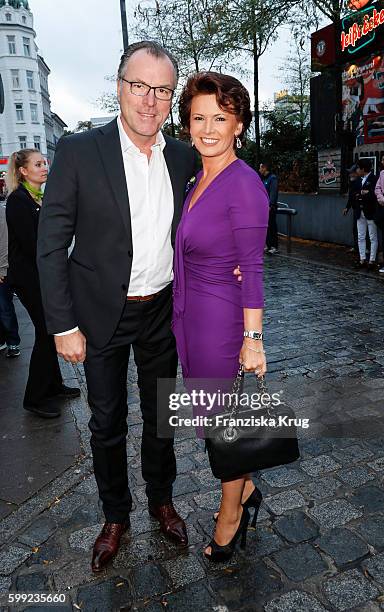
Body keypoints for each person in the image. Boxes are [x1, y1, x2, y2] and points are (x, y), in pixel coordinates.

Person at [37, 42, 196, 572]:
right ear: (119, 85)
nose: (149, 100)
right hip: (101, 312)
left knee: (161, 417)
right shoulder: (81, 151)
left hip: (162, 311)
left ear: (171, 97)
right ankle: (115, 515)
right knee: (107, 421)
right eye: (139, 86)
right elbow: (51, 243)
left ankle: (161, 500)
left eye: (161, 90)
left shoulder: (183, 156)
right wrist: (63, 325)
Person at [175, 72, 269, 561]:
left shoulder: (244, 183)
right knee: (216, 418)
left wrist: (253, 339)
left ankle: (231, 514)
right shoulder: (197, 177)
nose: (207, 128)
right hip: (191, 319)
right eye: (198, 117)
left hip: (221, 323)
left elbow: (252, 268)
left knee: (222, 426)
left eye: (220, 118)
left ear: (238, 125)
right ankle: (246, 490)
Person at [5, 150, 79, 417]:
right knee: (46, 334)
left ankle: (54, 385)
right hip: (29, 278)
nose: (44, 166)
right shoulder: (18, 201)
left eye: (44, 162)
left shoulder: (39, 197)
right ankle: (34, 398)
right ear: (23, 171)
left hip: (42, 275)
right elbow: (33, 244)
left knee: (48, 332)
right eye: (37, 164)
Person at [0, 200, 21, 357]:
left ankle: (13, 342)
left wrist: (1, 269)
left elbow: (4, 241)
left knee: (4, 308)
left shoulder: (1, 212)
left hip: (1, 271)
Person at [354, 159, 378, 269]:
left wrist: (365, 193)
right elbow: (355, 193)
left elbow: (375, 194)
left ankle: (372, 260)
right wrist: (362, 193)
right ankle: (362, 259)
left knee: (372, 236)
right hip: (360, 211)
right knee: (361, 236)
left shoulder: (374, 178)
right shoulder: (358, 180)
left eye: (358, 168)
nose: (357, 170)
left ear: (363, 169)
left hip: (370, 211)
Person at [259, 161, 279, 253]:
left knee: (272, 226)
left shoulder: (272, 178)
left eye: (260, 168)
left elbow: (273, 193)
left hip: (270, 207)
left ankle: (274, 246)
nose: (259, 170)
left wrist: (271, 205)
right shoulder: (263, 179)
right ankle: (268, 245)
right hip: (263, 207)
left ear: (264, 168)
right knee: (265, 227)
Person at [342, 164, 361, 253]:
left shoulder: (360, 182)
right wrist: (347, 207)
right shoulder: (352, 182)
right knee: (355, 228)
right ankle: (356, 247)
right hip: (355, 208)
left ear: (356, 173)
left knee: (361, 229)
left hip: (360, 208)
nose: (350, 175)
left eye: (351, 173)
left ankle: (363, 248)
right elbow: (351, 196)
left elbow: (356, 196)